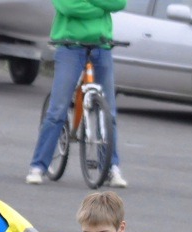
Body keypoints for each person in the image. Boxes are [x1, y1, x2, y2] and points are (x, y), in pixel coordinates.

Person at [26, 0, 128, 188]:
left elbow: (119, 3)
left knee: (109, 113)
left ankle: (112, 167)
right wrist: (101, 8)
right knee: (57, 109)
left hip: (101, 46)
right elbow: (67, 6)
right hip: (70, 46)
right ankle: (38, 166)